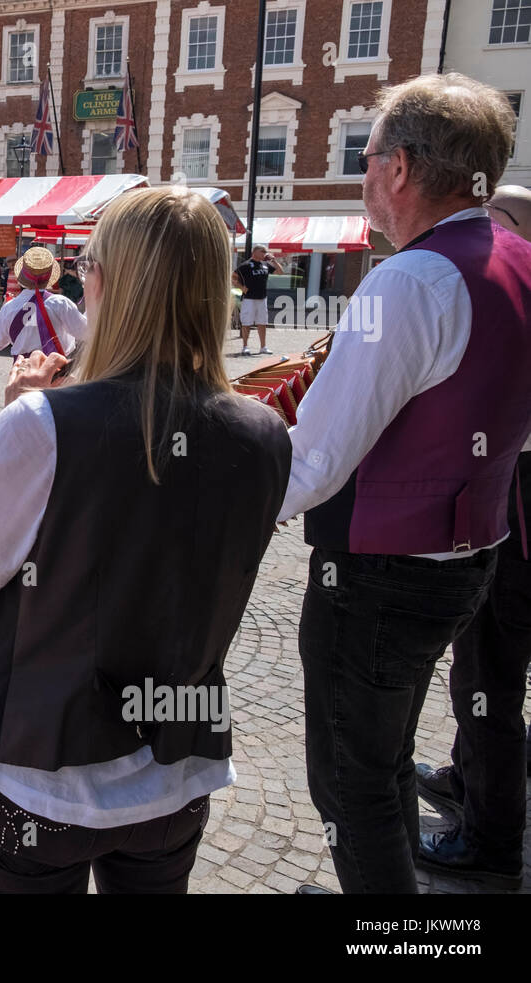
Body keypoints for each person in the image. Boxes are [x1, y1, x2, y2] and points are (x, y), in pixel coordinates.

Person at [0, 186, 291, 894]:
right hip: (175, 774)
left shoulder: (43, 424)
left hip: (40, 774)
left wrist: (15, 423)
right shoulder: (267, 431)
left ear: (109, 282)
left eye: (87, 263)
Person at [277, 74, 531, 894]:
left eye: (367, 155)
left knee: (353, 782)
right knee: (380, 756)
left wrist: (210, 503)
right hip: (471, 553)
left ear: (401, 169)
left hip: (383, 574)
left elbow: (313, 459)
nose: (362, 174)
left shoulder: (410, 280)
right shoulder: (518, 258)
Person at [413, 182, 531, 891]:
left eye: (498, 222)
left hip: (516, 512)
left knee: (488, 674)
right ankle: (469, 778)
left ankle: (490, 837)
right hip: (503, 503)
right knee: (478, 669)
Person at [0, 247, 87, 358]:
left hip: (22, 371)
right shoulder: (60, 303)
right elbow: (84, 332)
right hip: (55, 369)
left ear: (22, 276)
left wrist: (3, 314)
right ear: (49, 277)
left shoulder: (10, 307)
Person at [234, 246, 282, 356]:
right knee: (246, 323)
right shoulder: (246, 265)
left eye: (266, 251)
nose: (265, 253)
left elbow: (280, 272)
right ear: (255, 252)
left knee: (262, 323)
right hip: (249, 299)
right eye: (263, 251)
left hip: (262, 298)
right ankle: (245, 347)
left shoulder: (265, 265)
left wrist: (274, 261)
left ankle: (263, 347)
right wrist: (241, 287)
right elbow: (233, 277)